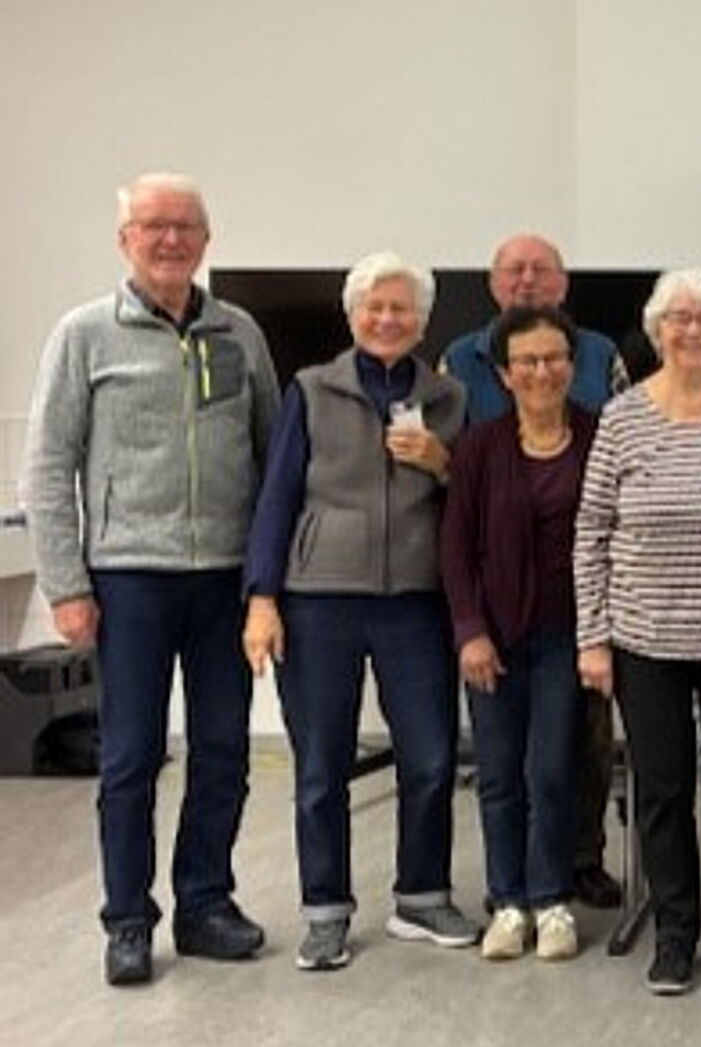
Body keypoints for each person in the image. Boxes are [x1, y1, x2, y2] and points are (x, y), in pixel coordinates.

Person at [23, 172, 280, 986]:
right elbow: (48, 463)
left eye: (186, 226)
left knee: (223, 751)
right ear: (124, 239)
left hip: (226, 583)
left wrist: (271, 578)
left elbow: (275, 455)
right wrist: (66, 583)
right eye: (153, 225)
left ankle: (206, 902)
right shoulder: (84, 334)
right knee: (130, 756)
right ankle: (128, 918)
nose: (171, 239)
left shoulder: (240, 333)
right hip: (128, 579)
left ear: (207, 240)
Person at [243, 251, 477, 972]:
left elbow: (471, 505)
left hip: (417, 601)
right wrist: (262, 599)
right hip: (319, 601)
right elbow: (276, 496)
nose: (387, 319)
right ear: (352, 315)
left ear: (423, 320)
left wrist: (442, 460)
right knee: (321, 765)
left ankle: (422, 895)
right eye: (375, 306)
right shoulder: (310, 390)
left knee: (433, 757)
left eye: (401, 308)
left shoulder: (450, 398)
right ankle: (325, 912)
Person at [574, 269, 701, 995]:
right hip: (645, 641)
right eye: (678, 318)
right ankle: (674, 932)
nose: (692, 330)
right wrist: (592, 638)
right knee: (661, 792)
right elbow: (591, 530)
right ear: (658, 330)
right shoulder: (623, 416)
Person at [440, 233, 628, 909]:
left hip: (580, 614)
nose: (526, 279)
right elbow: (449, 487)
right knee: (507, 767)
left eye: (540, 268)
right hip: (496, 597)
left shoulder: (604, 358)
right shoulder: (459, 361)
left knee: (580, 752)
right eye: (512, 269)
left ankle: (578, 862)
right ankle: (512, 889)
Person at [441, 306, 597, 962]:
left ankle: (552, 899)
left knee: (553, 769)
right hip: (495, 640)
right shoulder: (479, 446)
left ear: (572, 364)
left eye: (554, 357)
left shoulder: (600, 436)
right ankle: (507, 902)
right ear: (503, 374)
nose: (542, 371)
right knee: (500, 774)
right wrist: (470, 631)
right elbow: (454, 548)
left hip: (571, 634)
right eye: (527, 361)